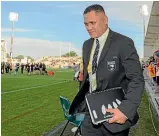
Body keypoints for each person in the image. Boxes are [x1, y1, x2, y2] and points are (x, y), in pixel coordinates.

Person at [69, 4, 144, 136]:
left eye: (93, 23)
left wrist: (125, 110)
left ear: (105, 19)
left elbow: (136, 79)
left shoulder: (123, 43)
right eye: (86, 24)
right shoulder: (87, 45)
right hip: (89, 115)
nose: (89, 27)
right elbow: (88, 78)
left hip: (114, 115)